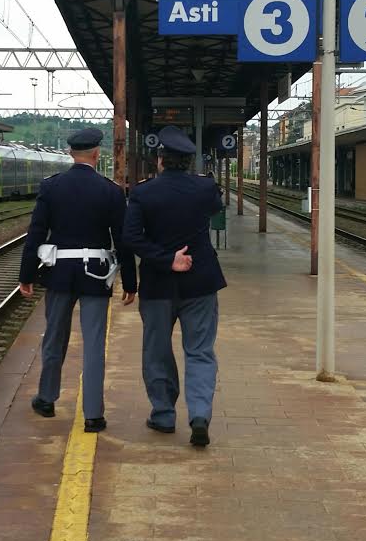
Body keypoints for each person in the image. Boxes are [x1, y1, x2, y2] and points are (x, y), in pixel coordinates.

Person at [18, 127, 137, 433]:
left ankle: (46, 398)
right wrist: (131, 280)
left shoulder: (51, 187)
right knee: (95, 343)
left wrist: (27, 275)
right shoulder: (110, 191)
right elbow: (122, 239)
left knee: (54, 337)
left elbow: (36, 233)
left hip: (58, 273)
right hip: (95, 274)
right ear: (97, 154)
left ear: (71, 153)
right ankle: (93, 415)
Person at [124, 126, 226, 447]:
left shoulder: (143, 193)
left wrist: (166, 259)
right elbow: (214, 211)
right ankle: (199, 414)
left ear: (160, 160)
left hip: (158, 283)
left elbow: (131, 238)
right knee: (200, 351)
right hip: (201, 282)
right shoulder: (205, 188)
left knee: (156, 350)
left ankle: (164, 414)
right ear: (188, 161)